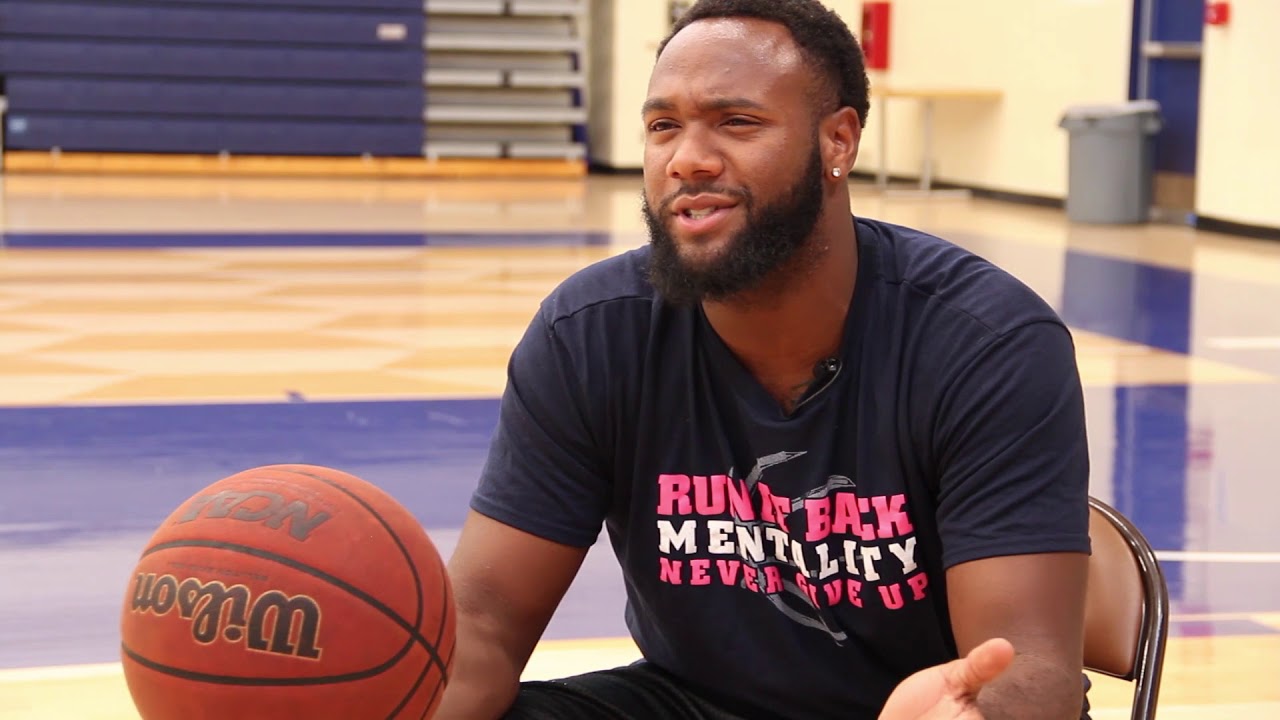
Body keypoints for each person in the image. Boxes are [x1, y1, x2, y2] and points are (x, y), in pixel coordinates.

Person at [436, 0, 1092, 718]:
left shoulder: (986, 343)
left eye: (736, 122)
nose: (686, 158)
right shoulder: (591, 334)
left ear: (838, 140)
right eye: (663, 127)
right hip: (690, 702)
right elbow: (484, 627)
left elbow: (1025, 671)